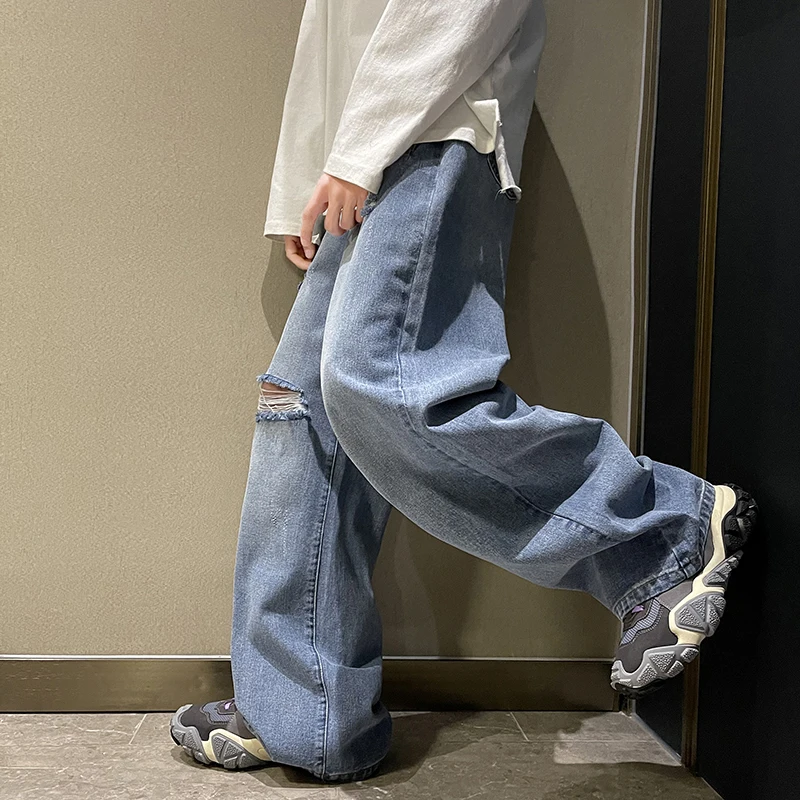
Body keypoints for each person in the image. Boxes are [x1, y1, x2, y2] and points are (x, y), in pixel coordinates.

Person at [169, 0, 758, 783]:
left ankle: (661, 532)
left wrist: (360, 149)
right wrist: (312, 175)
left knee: (382, 383)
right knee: (300, 414)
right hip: (366, 146)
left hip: (437, 125)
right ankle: (302, 711)